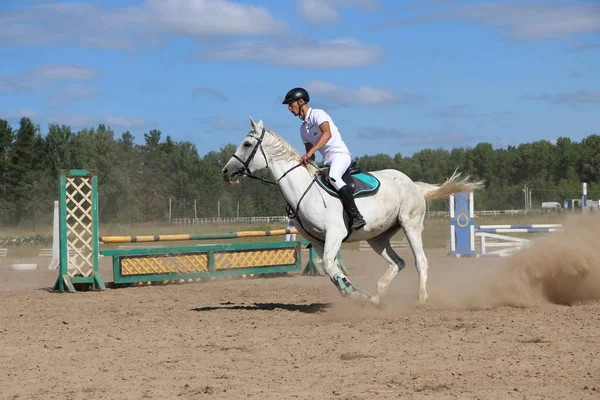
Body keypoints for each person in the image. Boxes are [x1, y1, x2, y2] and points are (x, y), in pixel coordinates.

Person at [281, 87, 366, 231]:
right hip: (327, 160)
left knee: (333, 177)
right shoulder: (303, 129)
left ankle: (356, 216)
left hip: (340, 155)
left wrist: (310, 153)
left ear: (301, 101)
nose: (289, 108)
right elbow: (311, 155)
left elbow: (327, 134)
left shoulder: (318, 114)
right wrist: (301, 161)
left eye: (291, 104)